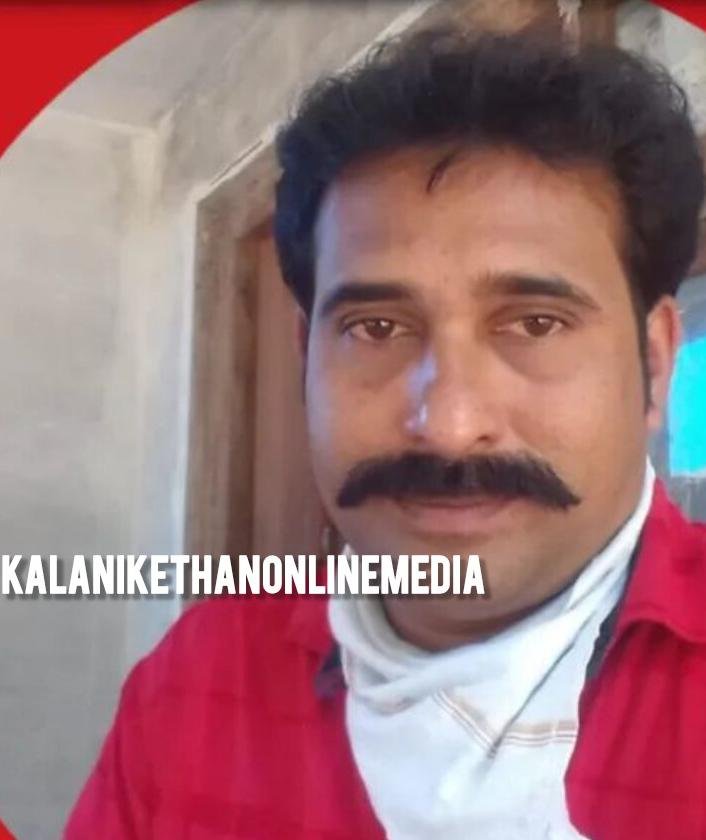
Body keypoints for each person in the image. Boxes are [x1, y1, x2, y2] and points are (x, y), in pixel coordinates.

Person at [65, 25, 706, 840]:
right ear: (306, 358)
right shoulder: (193, 678)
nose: (450, 427)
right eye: (376, 328)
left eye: (536, 323)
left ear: (653, 361)